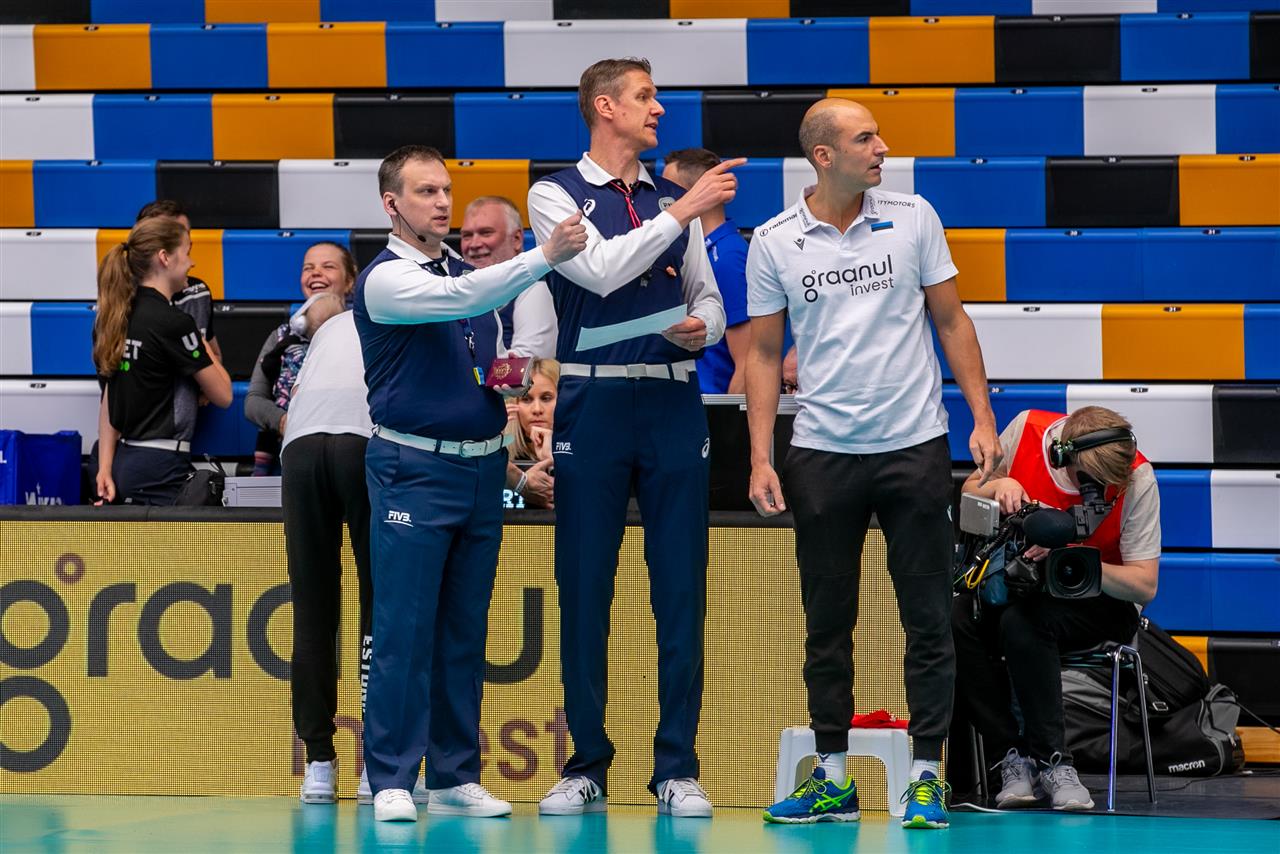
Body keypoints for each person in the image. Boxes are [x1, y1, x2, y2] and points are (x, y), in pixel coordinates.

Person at [744, 98, 1001, 829]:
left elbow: (951, 319)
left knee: (929, 618)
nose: (883, 147)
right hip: (822, 453)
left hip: (914, 445)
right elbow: (763, 353)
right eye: (866, 138)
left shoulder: (915, 217)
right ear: (824, 156)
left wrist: (982, 418)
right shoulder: (775, 241)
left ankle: (925, 777)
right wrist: (761, 456)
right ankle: (830, 777)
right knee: (826, 622)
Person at [527, 57, 741, 819]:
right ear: (604, 106)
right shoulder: (555, 192)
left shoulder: (670, 202)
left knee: (681, 588)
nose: (660, 109)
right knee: (584, 585)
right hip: (594, 400)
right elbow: (600, 272)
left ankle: (677, 765)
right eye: (646, 97)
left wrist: (701, 327)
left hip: (675, 400)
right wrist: (685, 214)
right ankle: (586, 762)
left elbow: (711, 301)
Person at [355, 144, 587, 822]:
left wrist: (507, 380)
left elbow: (482, 352)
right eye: (425, 191)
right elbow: (462, 299)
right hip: (414, 470)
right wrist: (545, 255)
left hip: (482, 467)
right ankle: (391, 776)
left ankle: (454, 774)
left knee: (463, 631)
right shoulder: (386, 279)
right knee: (403, 631)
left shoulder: (462, 269)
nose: (441, 202)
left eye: (444, 190)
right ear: (392, 203)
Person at [951, 406, 1161, 812]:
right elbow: (969, 493)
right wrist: (999, 485)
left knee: (1024, 623)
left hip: (1101, 601)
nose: (1105, 488)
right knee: (959, 618)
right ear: (1064, 458)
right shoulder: (1026, 430)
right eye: (1094, 478)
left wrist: (1074, 558)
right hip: (1021, 585)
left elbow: (1144, 584)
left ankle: (1054, 762)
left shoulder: (1138, 476)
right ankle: (1009, 758)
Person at [277, 294, 376, 805]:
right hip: (363, 442)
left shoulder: (322, 333)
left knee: (313, 612)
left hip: (300, 446)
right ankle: (378, 765)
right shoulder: (403, 308)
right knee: (379, 606)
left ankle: (318, 763)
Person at [93, 217, 232, 505]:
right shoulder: (173, 322)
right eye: (187, 252)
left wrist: (104, 467)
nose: (192, 263)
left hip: (123, 462)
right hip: (161, 467)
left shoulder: (113, 318)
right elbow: (224, 394)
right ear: (165, 257)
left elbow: (109, 398)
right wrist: (197, 333)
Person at [245, 242, 358, 475]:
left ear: (349, 281)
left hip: (348, 454)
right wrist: (285, 421)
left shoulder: (364, 333)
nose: (316, 272)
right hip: (289, 456)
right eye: (308, 268)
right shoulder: (280, 337)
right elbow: (254, 401)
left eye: (328, 266)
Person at [661, 148, 751, 395]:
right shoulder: (700, 251)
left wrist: (728, 418)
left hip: (713, 404)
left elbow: (748, 362)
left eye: (668, 188)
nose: (661, 196)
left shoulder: (728, 256)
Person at [460, 195, 558, 360]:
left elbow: (527, 364)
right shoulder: (455, 289)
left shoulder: (534, 288)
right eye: (467, 235)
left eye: (486, 233)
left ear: (517, 239)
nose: (474, 244)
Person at [134, 199, 222, 364]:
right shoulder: (122, 296)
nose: (186, 242)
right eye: (172, 235)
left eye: (186, 233)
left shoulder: (198, 292)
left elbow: (214, 356)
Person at [503, 357, 559, 509]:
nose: (537, 409)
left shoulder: (585, 451)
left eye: (546, 398)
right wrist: (494, 443)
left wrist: (555, 460)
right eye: (526, 399)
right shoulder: (499, 455)